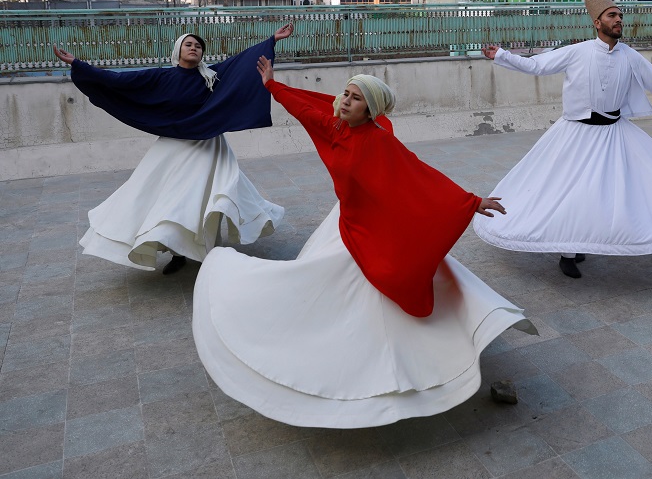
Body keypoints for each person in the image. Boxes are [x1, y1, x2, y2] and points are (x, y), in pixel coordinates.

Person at [191, 64, 536, 428]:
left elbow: (417, 175)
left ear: (370, 110)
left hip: (374, 222)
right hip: (347, 220)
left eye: (356, 99)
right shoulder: (335, 125)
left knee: (386, 282)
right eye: (345, 94)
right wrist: (272, 85)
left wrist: (470, 201)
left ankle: (413, 357)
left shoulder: (379, 139)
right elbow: (305, 109)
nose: (345, 101)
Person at [475, 0, 652, 278]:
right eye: (612, 15)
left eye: (620, 15)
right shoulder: (577, 51)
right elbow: (536, 66)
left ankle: (587, 240)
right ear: (598, 22)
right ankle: (568, 253)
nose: (619, 19)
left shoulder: (630, 57)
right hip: (575, 135)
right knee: (570, 191)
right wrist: (502, 56)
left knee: (602, 193)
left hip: (614, 135)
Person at [52, 24, 293, 274]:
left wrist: (272, 39)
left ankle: (209, 254)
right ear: (178, 50)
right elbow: (118, 80)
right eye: (189, 44)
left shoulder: (211, 76)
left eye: (198, 46)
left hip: (208, 147)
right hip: (174, 147)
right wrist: (79, 65)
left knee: (209, 201)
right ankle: (179, 252)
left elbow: (241, 63)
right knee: (171, 200)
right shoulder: (161, 77)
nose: (194, 48)